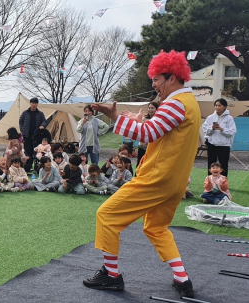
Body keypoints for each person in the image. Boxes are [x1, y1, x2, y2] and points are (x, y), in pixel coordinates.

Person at [85, 50, 199, 297]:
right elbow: (158, 132)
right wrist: (137, 121)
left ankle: (111, 275)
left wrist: (115, 117)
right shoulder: (189, 104)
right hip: (175, 182)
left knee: (106, 215)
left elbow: (147, 135)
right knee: (157, 228)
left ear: (171, 77)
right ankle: (182, 280)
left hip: (157, 178)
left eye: (156, 79)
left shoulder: (176, 103)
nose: (154, 85)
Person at [201, 98, 237, 177]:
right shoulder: (210, 117)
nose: (217, 107)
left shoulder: (229, 118)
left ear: (224, 107)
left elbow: (232, 131)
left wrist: (222, 129)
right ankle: (210, 182)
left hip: (224, 145)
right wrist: (212, 128)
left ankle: (223, 182)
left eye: (219, 106)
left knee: (223, 164)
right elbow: (205, 129)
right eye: (216, 106)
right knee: (211, 163)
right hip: (212, 144)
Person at [19, 97, 48, 171]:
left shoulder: (40, 113)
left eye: (35, 103)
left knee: (37, 151)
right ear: (30, 104)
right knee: (27, 151)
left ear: (37, 104)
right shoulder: (25, 113)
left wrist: (42, 126)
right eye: (32, 103)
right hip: (27, 135)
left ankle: (37, 166)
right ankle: (28, 167)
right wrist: (22, 130)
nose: (33, 105)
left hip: (37, 136)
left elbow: (44, 121)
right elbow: (20, 121)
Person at [136, 102, 159, 168]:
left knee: (150, 165)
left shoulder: (158, 120)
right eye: (149, 108)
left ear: (156, 109)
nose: (150, 110)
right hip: (142, 146)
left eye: (152, 108)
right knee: (140, 164)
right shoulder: (144, 119)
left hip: (153, 147)